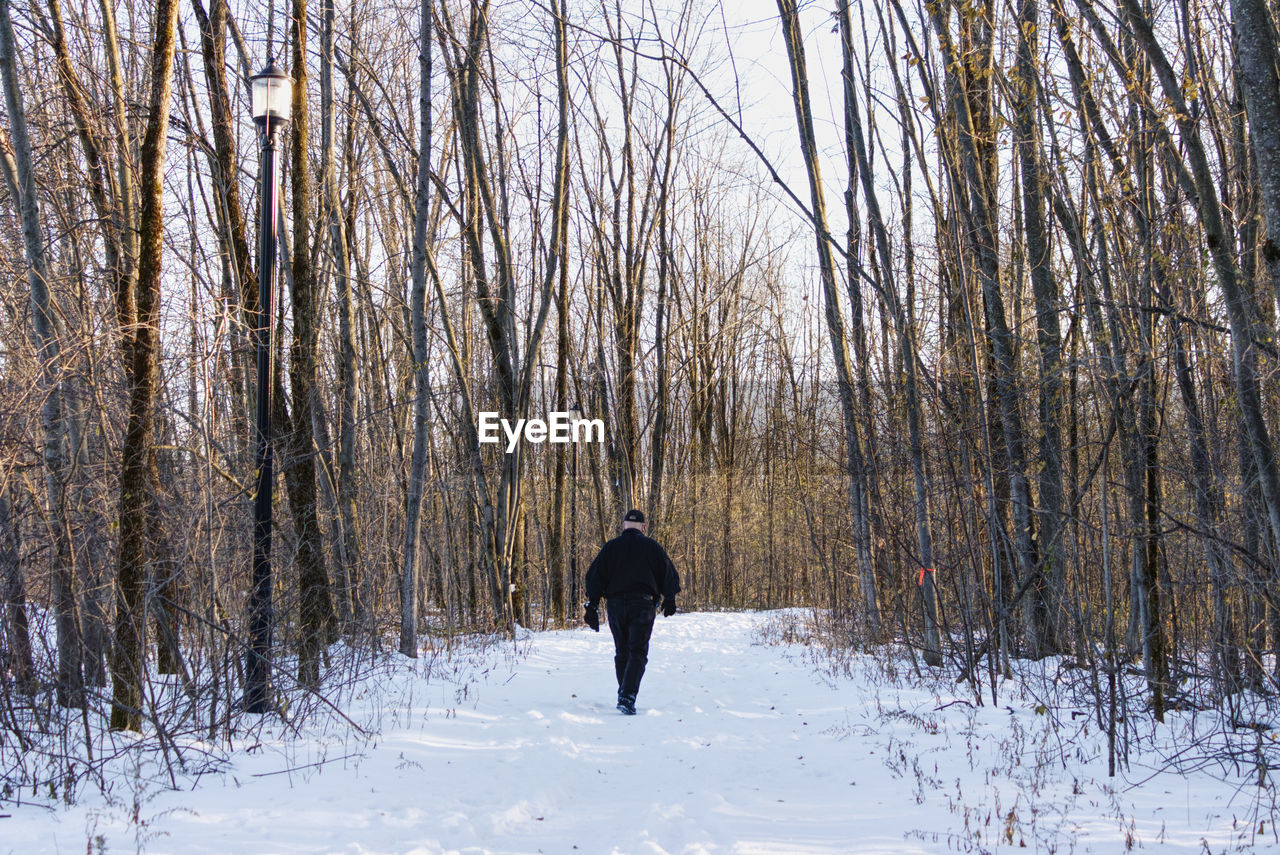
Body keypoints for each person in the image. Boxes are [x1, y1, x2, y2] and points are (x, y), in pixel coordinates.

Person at [583, 509, 680, 715]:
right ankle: (627, 696)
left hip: (616, 605)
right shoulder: (652, 547)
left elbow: (595, 576)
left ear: (623, 525)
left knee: (622, 651)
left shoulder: (611, 547)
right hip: (643, 605)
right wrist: (670, 598)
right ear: (644, 527)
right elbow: (668, 573)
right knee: (638, 651)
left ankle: (625, 693)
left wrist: (592, 603)